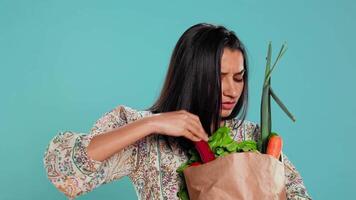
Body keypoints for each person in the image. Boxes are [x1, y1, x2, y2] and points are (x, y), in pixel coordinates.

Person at [43, 23, 312, 200]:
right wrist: (150, 124)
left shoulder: (255, 140)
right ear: (192, 76)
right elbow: (66, 169)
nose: (232, 90)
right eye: (220, 77)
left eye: (239, 78)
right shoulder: (149, 142)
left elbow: (299, 195)